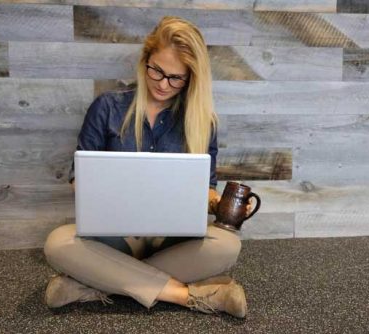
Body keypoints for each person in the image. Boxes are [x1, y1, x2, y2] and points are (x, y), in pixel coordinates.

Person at [43, 16, 249, 318]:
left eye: (176, 78)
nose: (163, 84)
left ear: (191, 78)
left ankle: (92, 284)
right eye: (157, 71)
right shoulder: (107, 108)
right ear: (145, 61)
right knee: (57, 243)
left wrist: (221, 206)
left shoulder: (202, 122)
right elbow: (80, 179)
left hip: (173, 241)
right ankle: (190, 295)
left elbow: (206, 190)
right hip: (114, 238)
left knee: (228, 245)